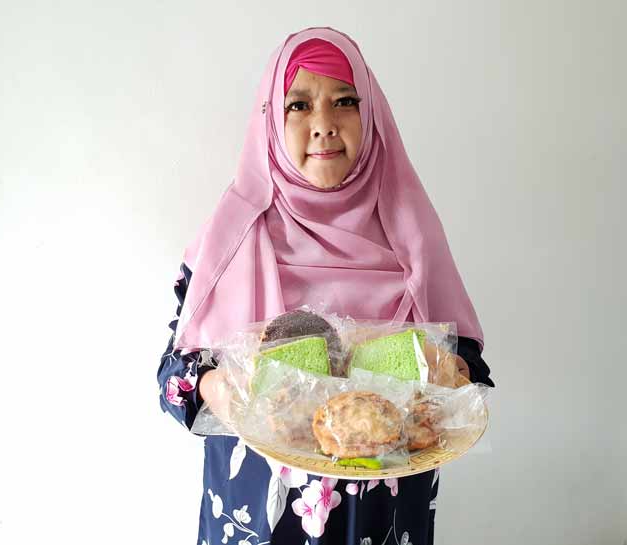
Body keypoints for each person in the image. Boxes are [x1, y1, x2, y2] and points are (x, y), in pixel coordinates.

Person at [157, 26, 495, 545]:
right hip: (258, 516)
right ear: (272, 119)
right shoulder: (230, 238)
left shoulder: (412, 234)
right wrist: (221, 390)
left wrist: (447, 376)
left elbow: (466, 363)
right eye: (299, 105)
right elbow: (173, 379)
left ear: (370, 114)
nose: (324, 126)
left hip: (382, 517)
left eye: (344, 101)